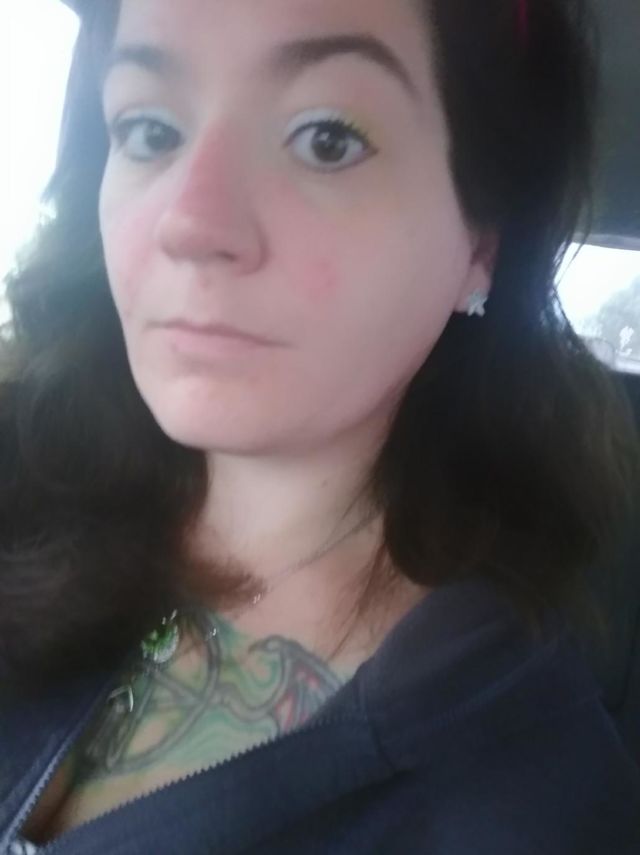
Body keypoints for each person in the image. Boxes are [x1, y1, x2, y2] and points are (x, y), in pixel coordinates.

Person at [1, 0, 639, 852]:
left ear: (483, 241)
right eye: (150, 131)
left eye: (327, 140)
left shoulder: (528, 801)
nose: (189, 223)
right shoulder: (25, 475)